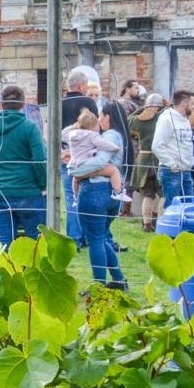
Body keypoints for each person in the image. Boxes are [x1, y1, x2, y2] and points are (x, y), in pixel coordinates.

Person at [0, 84, 47, 246]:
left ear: (1, 104)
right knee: (33, 241)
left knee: (5, 239)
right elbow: (39, 160)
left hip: (0, 190)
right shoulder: (30, 128)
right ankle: (31, 270)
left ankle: (7, 270)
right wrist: (44, 184)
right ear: (23, 104)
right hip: (29, 191)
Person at [72, 109, 128, 289]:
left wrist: (77, 172)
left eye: (102, 115)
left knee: (94, 240)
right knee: (102, 237)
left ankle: (98, 286)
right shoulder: (118, 135)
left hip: (94, 190)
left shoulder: (106, 137)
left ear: (107, 117)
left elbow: (100, 162)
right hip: (112, 192)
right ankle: (119, 280)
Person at [59, 68, 100, 240]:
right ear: (82, 85)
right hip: (84, 156)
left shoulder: (59, 103)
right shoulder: (88, 103)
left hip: (64, 154)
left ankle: (74, 237)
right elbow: (95, 129)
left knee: (70, 196)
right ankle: (87, 235)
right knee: (87, 194)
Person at [61, 110, 130, 201]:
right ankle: (118, 192)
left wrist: (73, 126)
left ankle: (76, 197)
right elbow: (103, 144)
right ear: (94, 126)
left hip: (73, 166)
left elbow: (62, 134)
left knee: (76, 180)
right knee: (113, 170)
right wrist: (115, 148)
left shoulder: (73, 135)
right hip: (86, 164)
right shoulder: (92, 136)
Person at [152, 89, 194, 207]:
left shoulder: (185, 120)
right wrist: (172, 164)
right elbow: (157, 146)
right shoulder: (167, 119)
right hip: (172, 171)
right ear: (184, 104)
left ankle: (185, 226)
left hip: (186, 170)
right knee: (172, 207)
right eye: (192, 104)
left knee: (188, 206)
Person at [130, 93, 166, 231]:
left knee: (148, 195)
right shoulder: (161, 118)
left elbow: (128, 119)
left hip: (143, 160)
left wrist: (141, 109)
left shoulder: (137, 120)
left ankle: (147, 224)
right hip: (158, 160)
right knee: (164, 193)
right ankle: (161, 223)